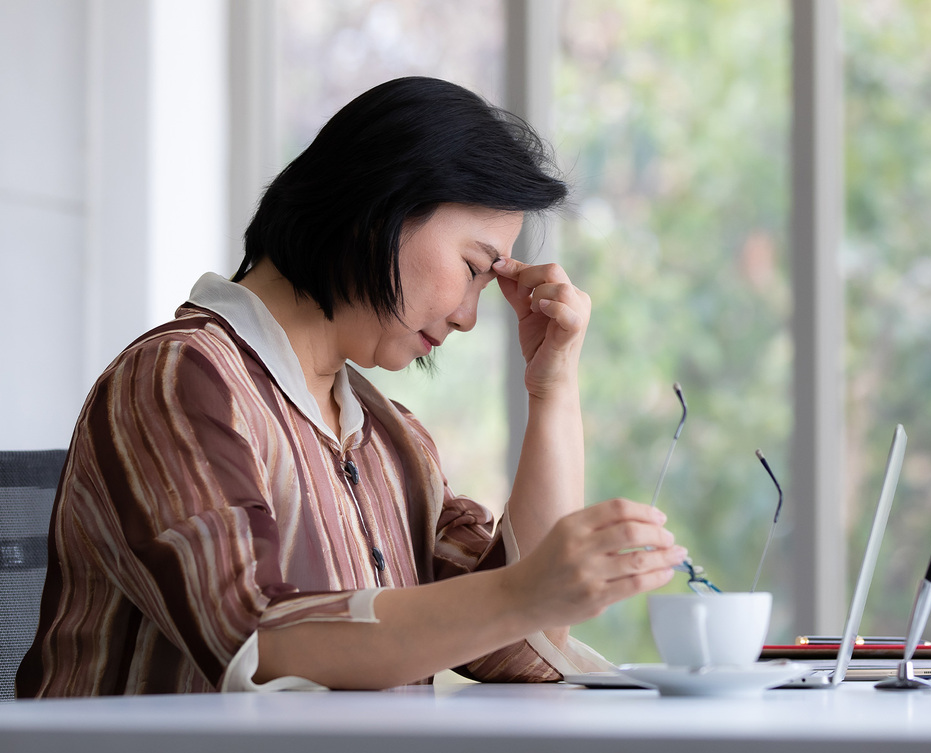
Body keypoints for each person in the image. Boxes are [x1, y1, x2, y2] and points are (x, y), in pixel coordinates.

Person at [17, 77, 685, 695]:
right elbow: (256, 638)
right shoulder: (178, 379)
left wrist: (553, 385)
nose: (469, 315)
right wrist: (524, 595)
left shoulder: (393, 438)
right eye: (474, 267)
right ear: (381, 209)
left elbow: (520, 647)